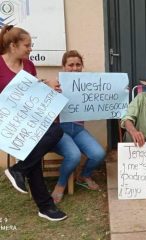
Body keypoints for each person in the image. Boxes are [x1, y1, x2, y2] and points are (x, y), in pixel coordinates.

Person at [0, 25, 67, 221]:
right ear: (13, 46)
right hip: (8, 124)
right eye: (27, 45)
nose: (30, 49)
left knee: (56, 131)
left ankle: (19, 169)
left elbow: (32, 91)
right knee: (32, 153)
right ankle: (45, 207)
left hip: (29, 120)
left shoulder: (28, 65)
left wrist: (47, 88)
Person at [50, 50, 106, 204]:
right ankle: (60, 185)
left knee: (99, 153)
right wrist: (53, 93)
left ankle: (84, 175)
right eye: (71, 65)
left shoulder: (87, 84)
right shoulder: (55, 85)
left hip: (78, 129)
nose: (74, 68)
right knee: (74, 155)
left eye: (78, 64)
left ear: (82, 66)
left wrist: (118, 93)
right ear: (64, 67)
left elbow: (101, 100)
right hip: (60, 130)